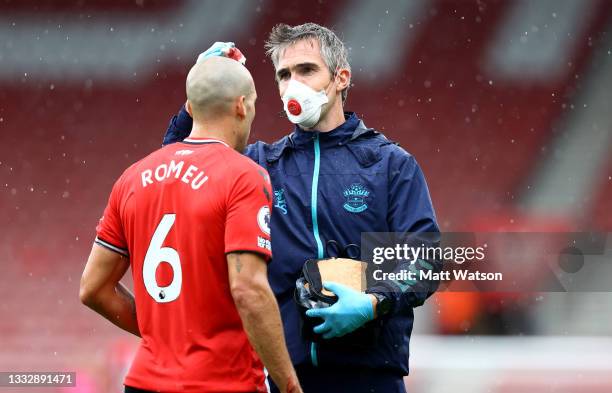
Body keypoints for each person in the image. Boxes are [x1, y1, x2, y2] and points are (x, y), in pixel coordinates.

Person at [163, 23, 441, 393]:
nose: (293, 83)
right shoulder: (259, 164)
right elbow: (181, 169)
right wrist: (198, 96)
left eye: (306, 70)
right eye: (283, 75)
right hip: (284, 378)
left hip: (371, 378)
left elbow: (426, 258)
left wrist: (373, 302)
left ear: (341, 78)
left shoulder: (388, 165)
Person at [80, 56, 302, 393]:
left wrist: (166, 334)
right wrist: (289, 386)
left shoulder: (133, 177)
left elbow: (93, 289)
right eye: (254, 103)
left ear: (191, 107)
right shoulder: (243, 175)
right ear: (241, 106)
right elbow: (249, 290)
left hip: (144, 382)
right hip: (222, 382)